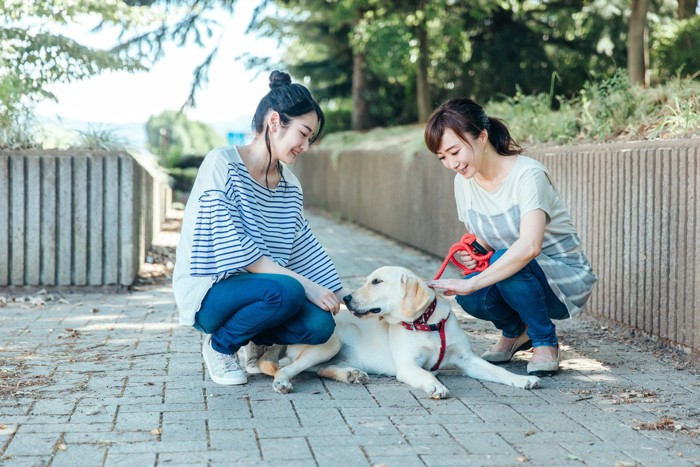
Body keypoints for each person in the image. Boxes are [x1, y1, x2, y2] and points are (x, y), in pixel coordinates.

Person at [173, 70, 348, 385]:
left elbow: (303, 248)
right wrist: (308, 287)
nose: (306, 146)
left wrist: (344, 296)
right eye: (304, 133)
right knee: (288, 290)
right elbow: (238, 251)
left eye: (311, 139)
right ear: (275, 122)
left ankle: (257, 343)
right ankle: (219, 346)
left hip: (264, 291)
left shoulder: (290, 186)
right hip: (212, 292)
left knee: (321, 326)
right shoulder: (222, 164)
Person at [424, 98, 597, 376]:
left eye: (454, 151)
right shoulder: (464, 182)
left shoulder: (527, 175)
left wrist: (475, 281)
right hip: (517, 274)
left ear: (482, 137)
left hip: (562, 280)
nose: (451, 164)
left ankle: (545, 341)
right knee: (469, 295)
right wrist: (474, 254)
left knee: (491, 270)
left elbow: (529, 246)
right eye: (442, 157)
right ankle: (516, 331)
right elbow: (487, 242)